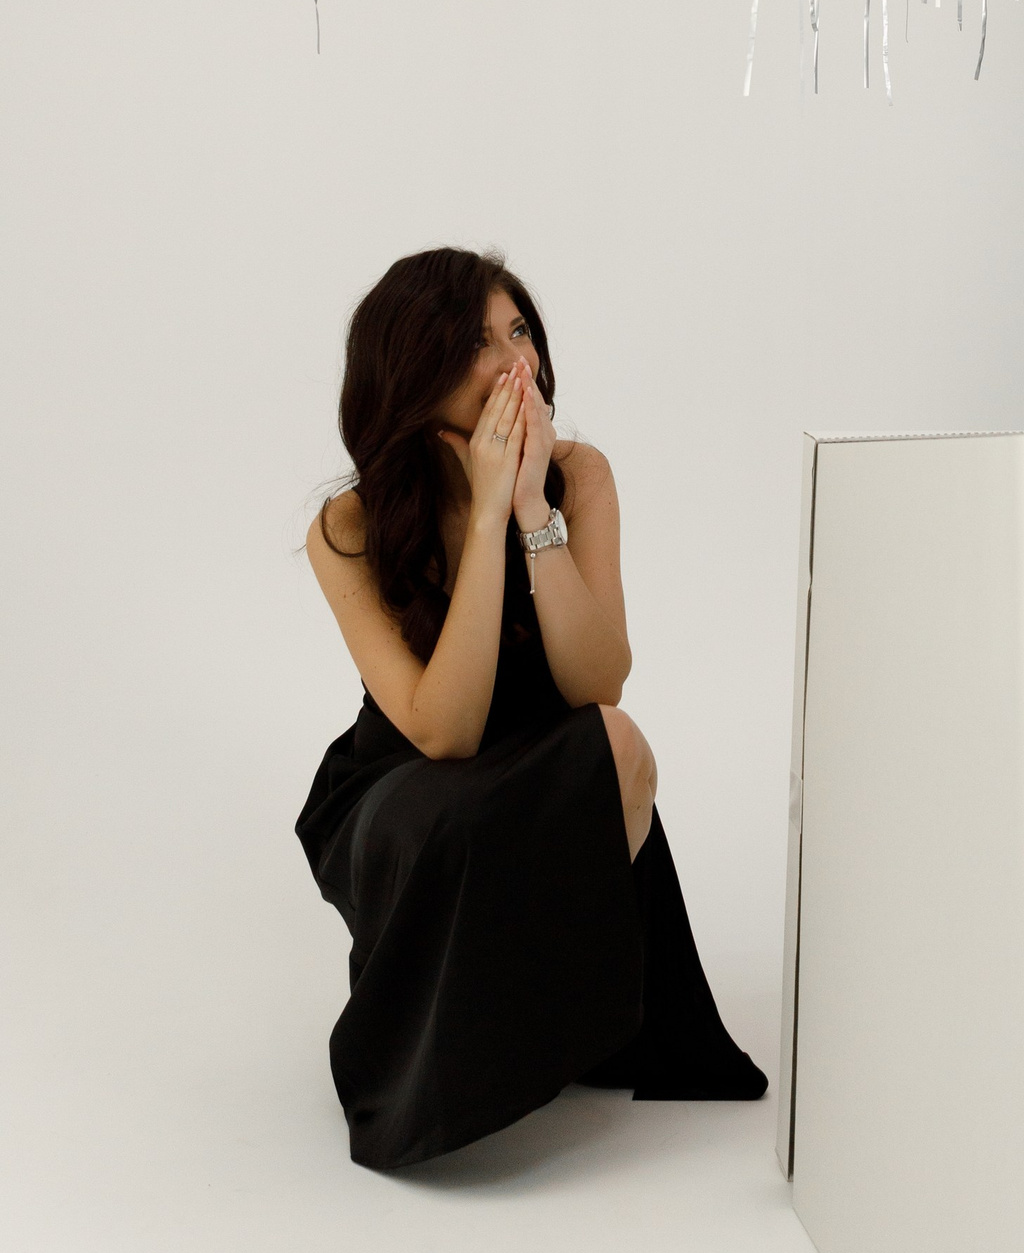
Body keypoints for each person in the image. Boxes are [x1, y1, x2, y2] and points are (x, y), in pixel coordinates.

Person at [297, 247, 765, 1169]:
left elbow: (597, 682)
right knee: (463, 798)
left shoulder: (579, 475)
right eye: (479, 344)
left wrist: (527, 510)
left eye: (520, 332)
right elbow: (444, 731)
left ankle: (540, 1020)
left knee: (616, 742)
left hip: (530, 765)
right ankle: (467, 1053)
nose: (516, 361)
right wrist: (479, 517)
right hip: (406, 788)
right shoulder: (347, 525)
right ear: (414, 368)